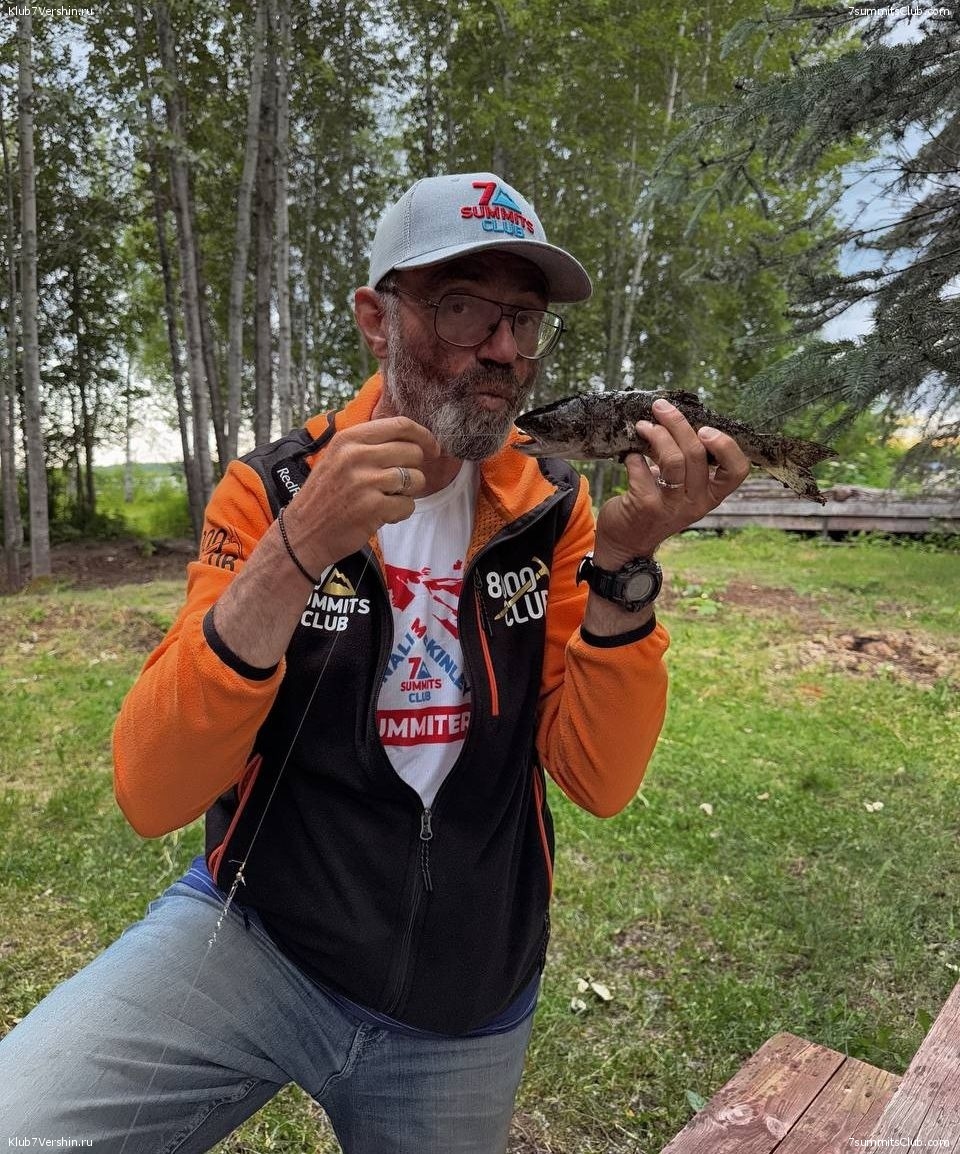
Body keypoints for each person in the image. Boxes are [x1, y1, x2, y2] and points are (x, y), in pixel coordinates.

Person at [0, 172, 750, 1152]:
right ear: (375, 319)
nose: (503, 349)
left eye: (524, 319)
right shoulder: (273, 490)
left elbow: (597, 779)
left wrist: (624, 567)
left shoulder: (551, 508)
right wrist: (295, 549)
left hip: (465, 990)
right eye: (462, 307)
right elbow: (153, 789)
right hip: (259, 937)